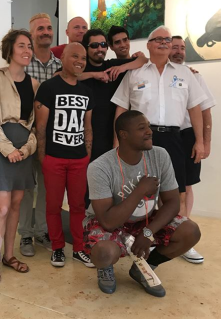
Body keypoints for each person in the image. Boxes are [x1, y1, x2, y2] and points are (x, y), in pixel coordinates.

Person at [84, 110, 201, 297]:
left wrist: (148, 232)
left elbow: (173, 203)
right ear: (123, 134)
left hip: (145, 220)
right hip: (110, 221)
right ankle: (105, 268)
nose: (149, 131)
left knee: (191, 231)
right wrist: (139, 191)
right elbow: (106, 221)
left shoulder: (160, 155)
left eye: (148, 126)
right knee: (104, 253)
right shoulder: (100, 167)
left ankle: (143, 268)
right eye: (142, 128)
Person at [112, 26, 207, 215]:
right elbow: (121, 108)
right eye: (158, 39)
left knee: (175, 193)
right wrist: (117, 145)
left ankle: (174, 241)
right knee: (138, 193)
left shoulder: (186, 73)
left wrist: (200, 141)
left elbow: (195, 109)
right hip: (140, 141)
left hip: (174, 139)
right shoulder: (134, 73)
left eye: (167, 40)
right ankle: (143, 240)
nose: (164, 42)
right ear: (148, 45)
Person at [0, 29, 39, 285]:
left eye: (30, 47)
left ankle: (9, 256)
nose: (27, 51)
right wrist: (8, 149)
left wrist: (26, 149)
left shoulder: (35, 84)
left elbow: (36, 125)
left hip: (23, 150)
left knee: (16, 205)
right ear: (10, 50)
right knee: (1, 207)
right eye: (22, 46)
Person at [35, 42, 95, 268]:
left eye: (83, 58)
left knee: (78, 206)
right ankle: (58, 248)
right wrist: (43, 157)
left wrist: (87, 154)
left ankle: (79, 248)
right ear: (63, 59)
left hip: (79, 159)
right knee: (53, 205)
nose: (80, 61)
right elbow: (41, 126)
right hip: (54, 158)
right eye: (75, 56)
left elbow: (88, 126)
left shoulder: (87, 91)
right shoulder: (48, 88)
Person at [18, 13, 62, 257]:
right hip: (26, 135)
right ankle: (25, 233)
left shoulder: (61, 64)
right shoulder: (23, 62)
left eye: (48, 28)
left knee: (48, 188)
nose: (45, 32)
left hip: (53, 137)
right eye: (40, 29)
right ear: (31, 33)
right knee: (26, 187)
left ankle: (43, 231)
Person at [170, 35, 216, 264]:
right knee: (163, 186)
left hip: (188, 136)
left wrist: (204, 142)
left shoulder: (194, 76)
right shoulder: (157, 74)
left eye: (181, 47)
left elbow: (206, 111)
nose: (178, 51)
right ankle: (164, 234)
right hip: (165, 136)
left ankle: (184, 237)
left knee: (185, 185)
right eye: (174, 47)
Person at [79, 29, 147, 160]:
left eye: (103, 45)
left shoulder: (111, 66)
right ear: (86, 48)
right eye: (94, 45)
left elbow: (143, 60)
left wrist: (123, 67)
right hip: (85, 136)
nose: (100, 49)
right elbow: (60, 76)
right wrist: (94, 75)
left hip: (110, 136)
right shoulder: (81, 68)